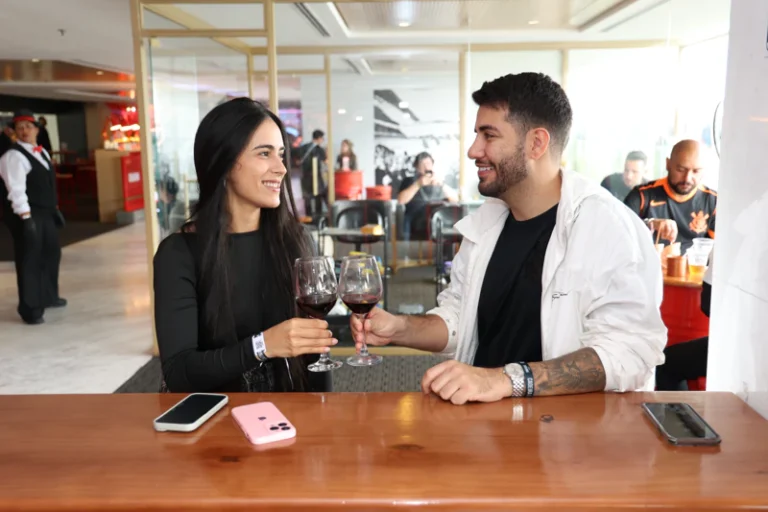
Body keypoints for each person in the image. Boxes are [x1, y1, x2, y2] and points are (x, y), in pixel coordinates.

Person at [352, 72, 666, 405]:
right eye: (477, 135)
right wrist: (399, 327)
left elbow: (629, 353)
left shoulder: (607, 228)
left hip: (563, 428)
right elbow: (460, 318)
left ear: (536, 143)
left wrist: (506, 380)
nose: (473, 150)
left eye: (489, 135)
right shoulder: (487, 222)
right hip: (481, 420)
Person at [153, 98, 335, 393]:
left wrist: (321, 410)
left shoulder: (298, 240)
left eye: (281, 155)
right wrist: (263, 345)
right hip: (215, 414)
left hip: (289, 412)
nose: (281, 168)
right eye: (264, 153)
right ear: (223, 163)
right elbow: (179, 373)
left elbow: (314, 351)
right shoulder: (178, 254)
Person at [0, 109, 66, 325]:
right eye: (20, 128)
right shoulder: (13, 156)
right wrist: (26, 218)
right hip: (28, 213)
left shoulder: (42, 152)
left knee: (51, 254)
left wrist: (54, 208)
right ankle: (30, 308)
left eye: (28, 126)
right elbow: (16, 189)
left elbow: (46, 183)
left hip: (46, 212)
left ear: (37, 130)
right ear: (14, 132)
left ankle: (48, 296)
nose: (24, 131)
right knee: (30, 259)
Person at [624, 140, 716, 252]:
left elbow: (720, 251)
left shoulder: (713, 202)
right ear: (668, 164)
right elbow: (619, 231)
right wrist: (650, 224)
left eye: (696, 171)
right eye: (680, 170)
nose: (687, 178)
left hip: (693, 263)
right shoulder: (642, 195)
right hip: (652, 261)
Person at [655, 251, 713, 390]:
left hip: (737, 344)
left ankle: (678, 406)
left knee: (666, 363)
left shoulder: (726, 247)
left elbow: (707, 305)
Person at [397, 152, 459, 240]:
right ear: (417, 167)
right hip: (414, 217)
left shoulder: (439, 180)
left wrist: (442, 185)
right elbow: (401, 200)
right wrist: (418, 184)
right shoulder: (409, 180)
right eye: (422, 164)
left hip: (437, 215)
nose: (426, 167)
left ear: (432, 165)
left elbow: (455, 200)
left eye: (428, 163)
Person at [298, 129, 327, 202]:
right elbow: (326, 162)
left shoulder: (304, 147)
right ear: (319, 138)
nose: (322, 140)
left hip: (306, 176)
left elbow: (298, 158)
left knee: (307, 197)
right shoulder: (320, 149)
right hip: (316, 176)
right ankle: (318, 209)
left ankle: (308, 209)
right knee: (318, 195)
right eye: (322, 138)